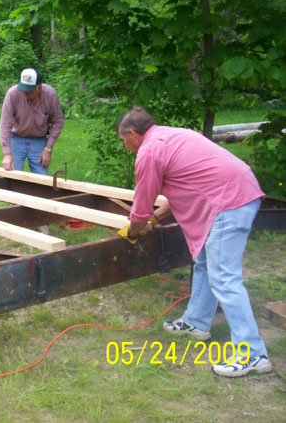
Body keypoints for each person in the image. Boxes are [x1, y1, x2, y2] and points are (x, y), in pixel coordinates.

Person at [116, 106, 272, 378]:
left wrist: (134, 230)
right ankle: (197, 321)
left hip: (228, 202)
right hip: (235, 193)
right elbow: (188, 184)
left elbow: (142, 201)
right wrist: (156, 219)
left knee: (224, 278)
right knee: (204, 260)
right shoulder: (172, 136)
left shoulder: (150, 150)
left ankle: (253, 354)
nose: (125, 146)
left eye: (123, 140)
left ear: (132, 133)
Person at [0, 68, 64, 174]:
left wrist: (48, 148)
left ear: (39, 87)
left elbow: (58, 121)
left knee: (41, 179)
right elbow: (5, 124)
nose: (24, 93)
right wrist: (7, 154)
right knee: (12, 176)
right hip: (16, 138)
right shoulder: (12, 94)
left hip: (39, 141)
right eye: (23, 89)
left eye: (29, 91)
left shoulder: (50, 95)